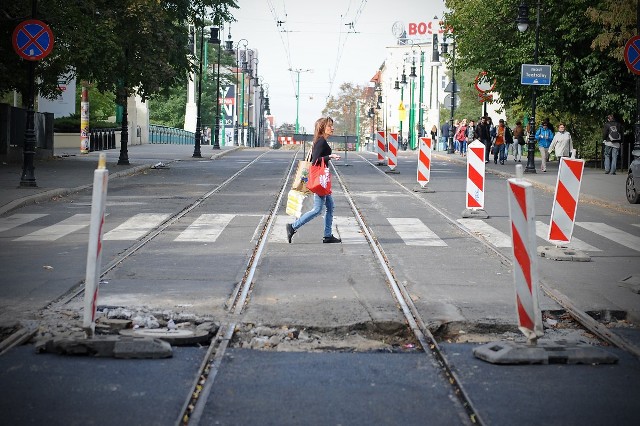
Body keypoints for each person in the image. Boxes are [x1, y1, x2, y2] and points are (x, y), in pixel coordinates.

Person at [287, 117, 341, 244]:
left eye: (332, 125)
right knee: (317, 209)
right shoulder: (320, 142)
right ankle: (293, 226)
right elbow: (315, 160)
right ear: (322, 128)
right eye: (329, 126)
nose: (332, 128)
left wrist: (328, 157)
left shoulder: (321, 141)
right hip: (320, 180)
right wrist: (330, 156)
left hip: (323, 179)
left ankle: (328, 235)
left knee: (330, 206)